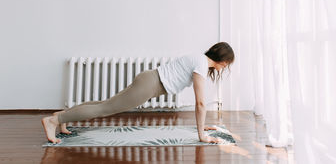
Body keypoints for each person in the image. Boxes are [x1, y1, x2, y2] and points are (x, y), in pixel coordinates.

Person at [41, 42, 235, 144]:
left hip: (149, 79)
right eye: (227, 65)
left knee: (104, 103)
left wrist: (202, 127)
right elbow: (200, 103)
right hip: (150, 85)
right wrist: (201, 134)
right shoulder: (201, 64)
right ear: (223, 61)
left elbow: (200, 103)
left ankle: (61, 117)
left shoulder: (199, 59)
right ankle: (53, 122)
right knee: (105, 108)